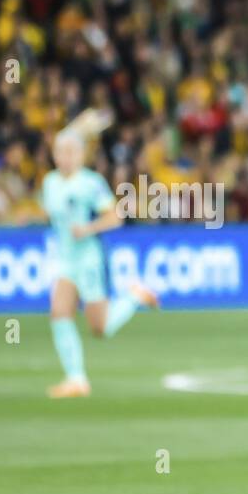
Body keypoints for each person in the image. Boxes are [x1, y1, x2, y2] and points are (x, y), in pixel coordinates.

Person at [42, 110, 158, 398]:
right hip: (66, 260)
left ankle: (134, 296)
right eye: (60, 152)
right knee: (59, 313)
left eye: (70, 152)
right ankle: (76, 379)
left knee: (100, 328)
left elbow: (115, 218)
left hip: (90, 259)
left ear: (81, 155)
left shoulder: (90, 182)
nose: (64, 157)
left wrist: (89, 227)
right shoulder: (50, 183)